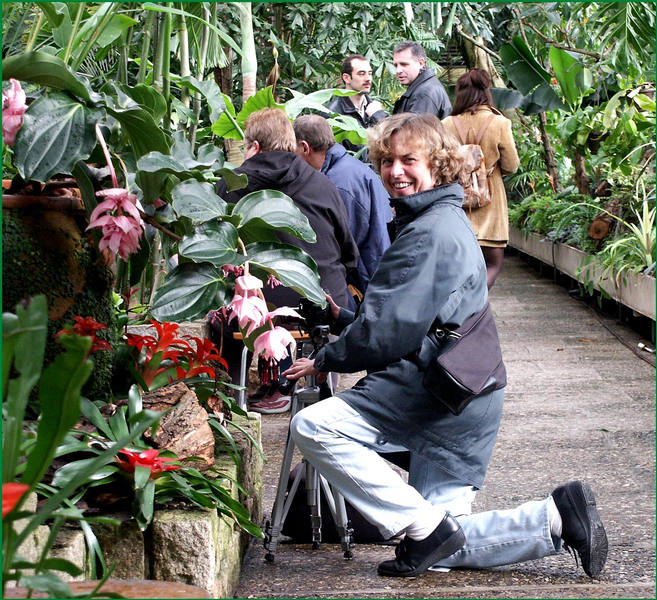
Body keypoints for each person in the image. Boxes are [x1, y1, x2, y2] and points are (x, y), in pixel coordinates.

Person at [282, 113, 608, 578]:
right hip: (466, 395)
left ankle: (427, 528)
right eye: (387, 161)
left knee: (314, 427)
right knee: (442, 546)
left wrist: (324, 359)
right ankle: (556, 518)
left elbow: (388, 333)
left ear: (439, 165)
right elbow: (414, 317)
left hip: (439, 396)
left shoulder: (429, 232)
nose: (396, 171)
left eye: (409, 160)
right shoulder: (438, 218)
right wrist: (346, 319)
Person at [213, 108, 360, 414]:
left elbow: (216, 248)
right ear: (293, 144)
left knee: (224, 317)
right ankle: (300, 388)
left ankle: (231, 395)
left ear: (253, 147)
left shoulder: (233, 184)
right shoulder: (322, 184)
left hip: (257, 309)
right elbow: (349, 252)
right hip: (321, 302)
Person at [293, 114, 392, 293]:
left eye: (293, 151)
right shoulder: (352, 168)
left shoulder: (337, 184)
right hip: (377, 275)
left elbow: (343, 248)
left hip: (368, 284)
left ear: (304, 147)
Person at [443, 68, 520, 289]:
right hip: (491, 201)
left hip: (457, 201)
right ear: (486, 93)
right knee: (492, 265)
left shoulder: (447, 124)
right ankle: (477, 306)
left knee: (458, 266)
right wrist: (487, 171)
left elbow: (440, 164)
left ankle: (460, 308)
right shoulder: (500, 123)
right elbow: (511, 165)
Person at [325, 54, 389, 159]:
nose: (368, 79)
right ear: (347, 78)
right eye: (361, 74)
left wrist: (378, 117)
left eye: (370, 73)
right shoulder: (332, 113)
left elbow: (390, 143)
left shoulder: (374, 109)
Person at [392, 41, 452, 119]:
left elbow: (414, 130)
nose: (398, 70)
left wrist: (378, 115)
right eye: (396, 65)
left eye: (404, 64)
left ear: (421, 63)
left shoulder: (424, 93)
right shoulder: (424, 87)